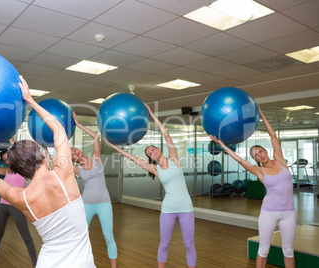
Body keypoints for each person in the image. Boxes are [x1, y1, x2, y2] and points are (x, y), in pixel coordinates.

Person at [0, 76, 95, 268]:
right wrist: (30, 100)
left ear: (18, 169)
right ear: (42, 155)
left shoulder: (21, 197)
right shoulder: (63, 174)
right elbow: (58, 129)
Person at [104, 104, 196, 268]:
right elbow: (132, 158)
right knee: (164, 244)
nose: (152, 153)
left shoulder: (174, 159)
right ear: (151, 158)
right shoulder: (155, 169)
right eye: (149, 154)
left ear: (158, 149)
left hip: (186, 208)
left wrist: (152, 115)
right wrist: (113, 146)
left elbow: (166, 134)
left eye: (153, 150)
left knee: (189, 245)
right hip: (168, 209)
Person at [210, 105, 296, 268]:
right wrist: (222, 144)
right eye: (256, 155)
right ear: (256, 159)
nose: (260, 155)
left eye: (260, 151)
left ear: (266, 151)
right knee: (263, 249)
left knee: (289, 251)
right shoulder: (259, 171)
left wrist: (262, 116)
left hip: (288, 213)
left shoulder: (280, 160)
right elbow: (240, 160)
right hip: (268, 213)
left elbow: (273, 136)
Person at [71, 111, 118, 268]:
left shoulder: (96, 158)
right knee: (82, 235)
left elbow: (96, 138)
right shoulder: (76, 169)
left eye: (74, 149)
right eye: (71, 153)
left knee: (109, 236)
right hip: (87, 204)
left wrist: (78, 125)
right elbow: (54, 166)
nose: (75, 152)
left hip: (104, 202)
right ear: (72, 159)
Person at [0, 138, 37, 268]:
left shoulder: (24, 170)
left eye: (10, 157)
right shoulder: (5, 171)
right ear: (5, 162)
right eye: (6, 160)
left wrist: (12, 140)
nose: (9, 160)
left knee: (26, 237)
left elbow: (21, 152)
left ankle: (36, 264)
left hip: (17, 206)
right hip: (3, 206)